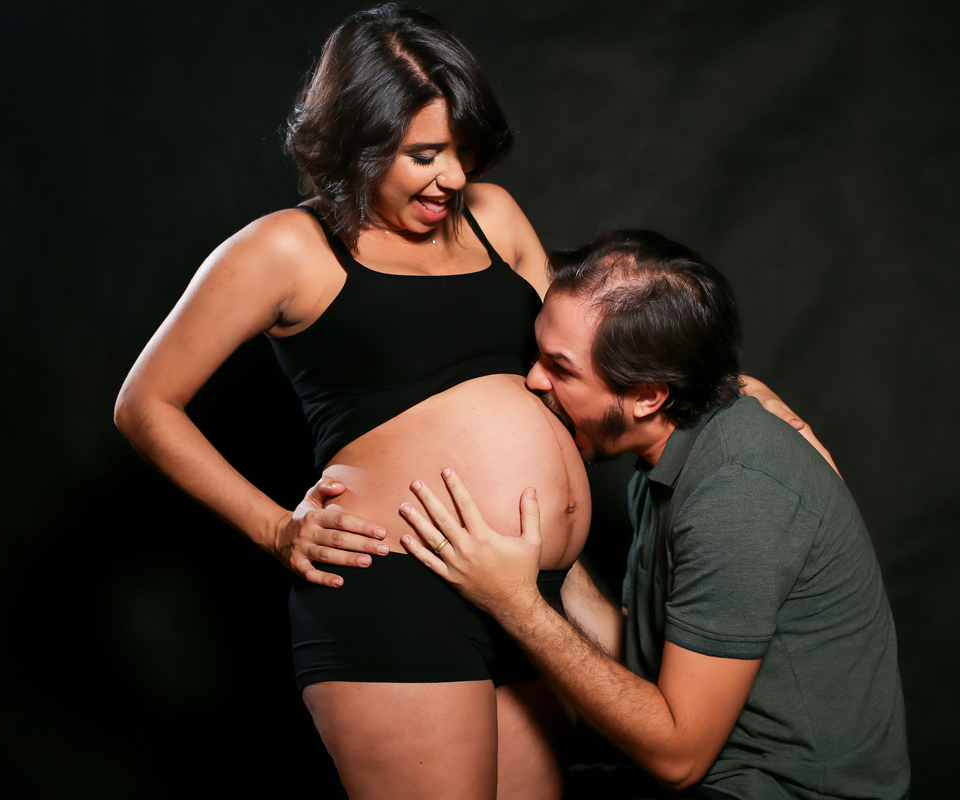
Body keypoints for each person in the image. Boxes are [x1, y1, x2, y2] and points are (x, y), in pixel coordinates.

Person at [115, 6, 830, 798]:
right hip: (403, 592)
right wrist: (278, 529)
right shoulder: (287, 249)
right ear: (358, 140)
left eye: (463, 150)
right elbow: (145, 404)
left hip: (527, 591)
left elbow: (606, 351)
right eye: (425, 155)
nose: (453, 178)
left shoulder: (491, 217)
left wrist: (732, 390)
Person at [396, 230, 911, 799]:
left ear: (648, 396)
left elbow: (678, 757)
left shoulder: (738, 492)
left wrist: (515, 603)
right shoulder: (674, 456)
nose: (534, 379)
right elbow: (644, 662)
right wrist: (540, 554)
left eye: (561, 368)